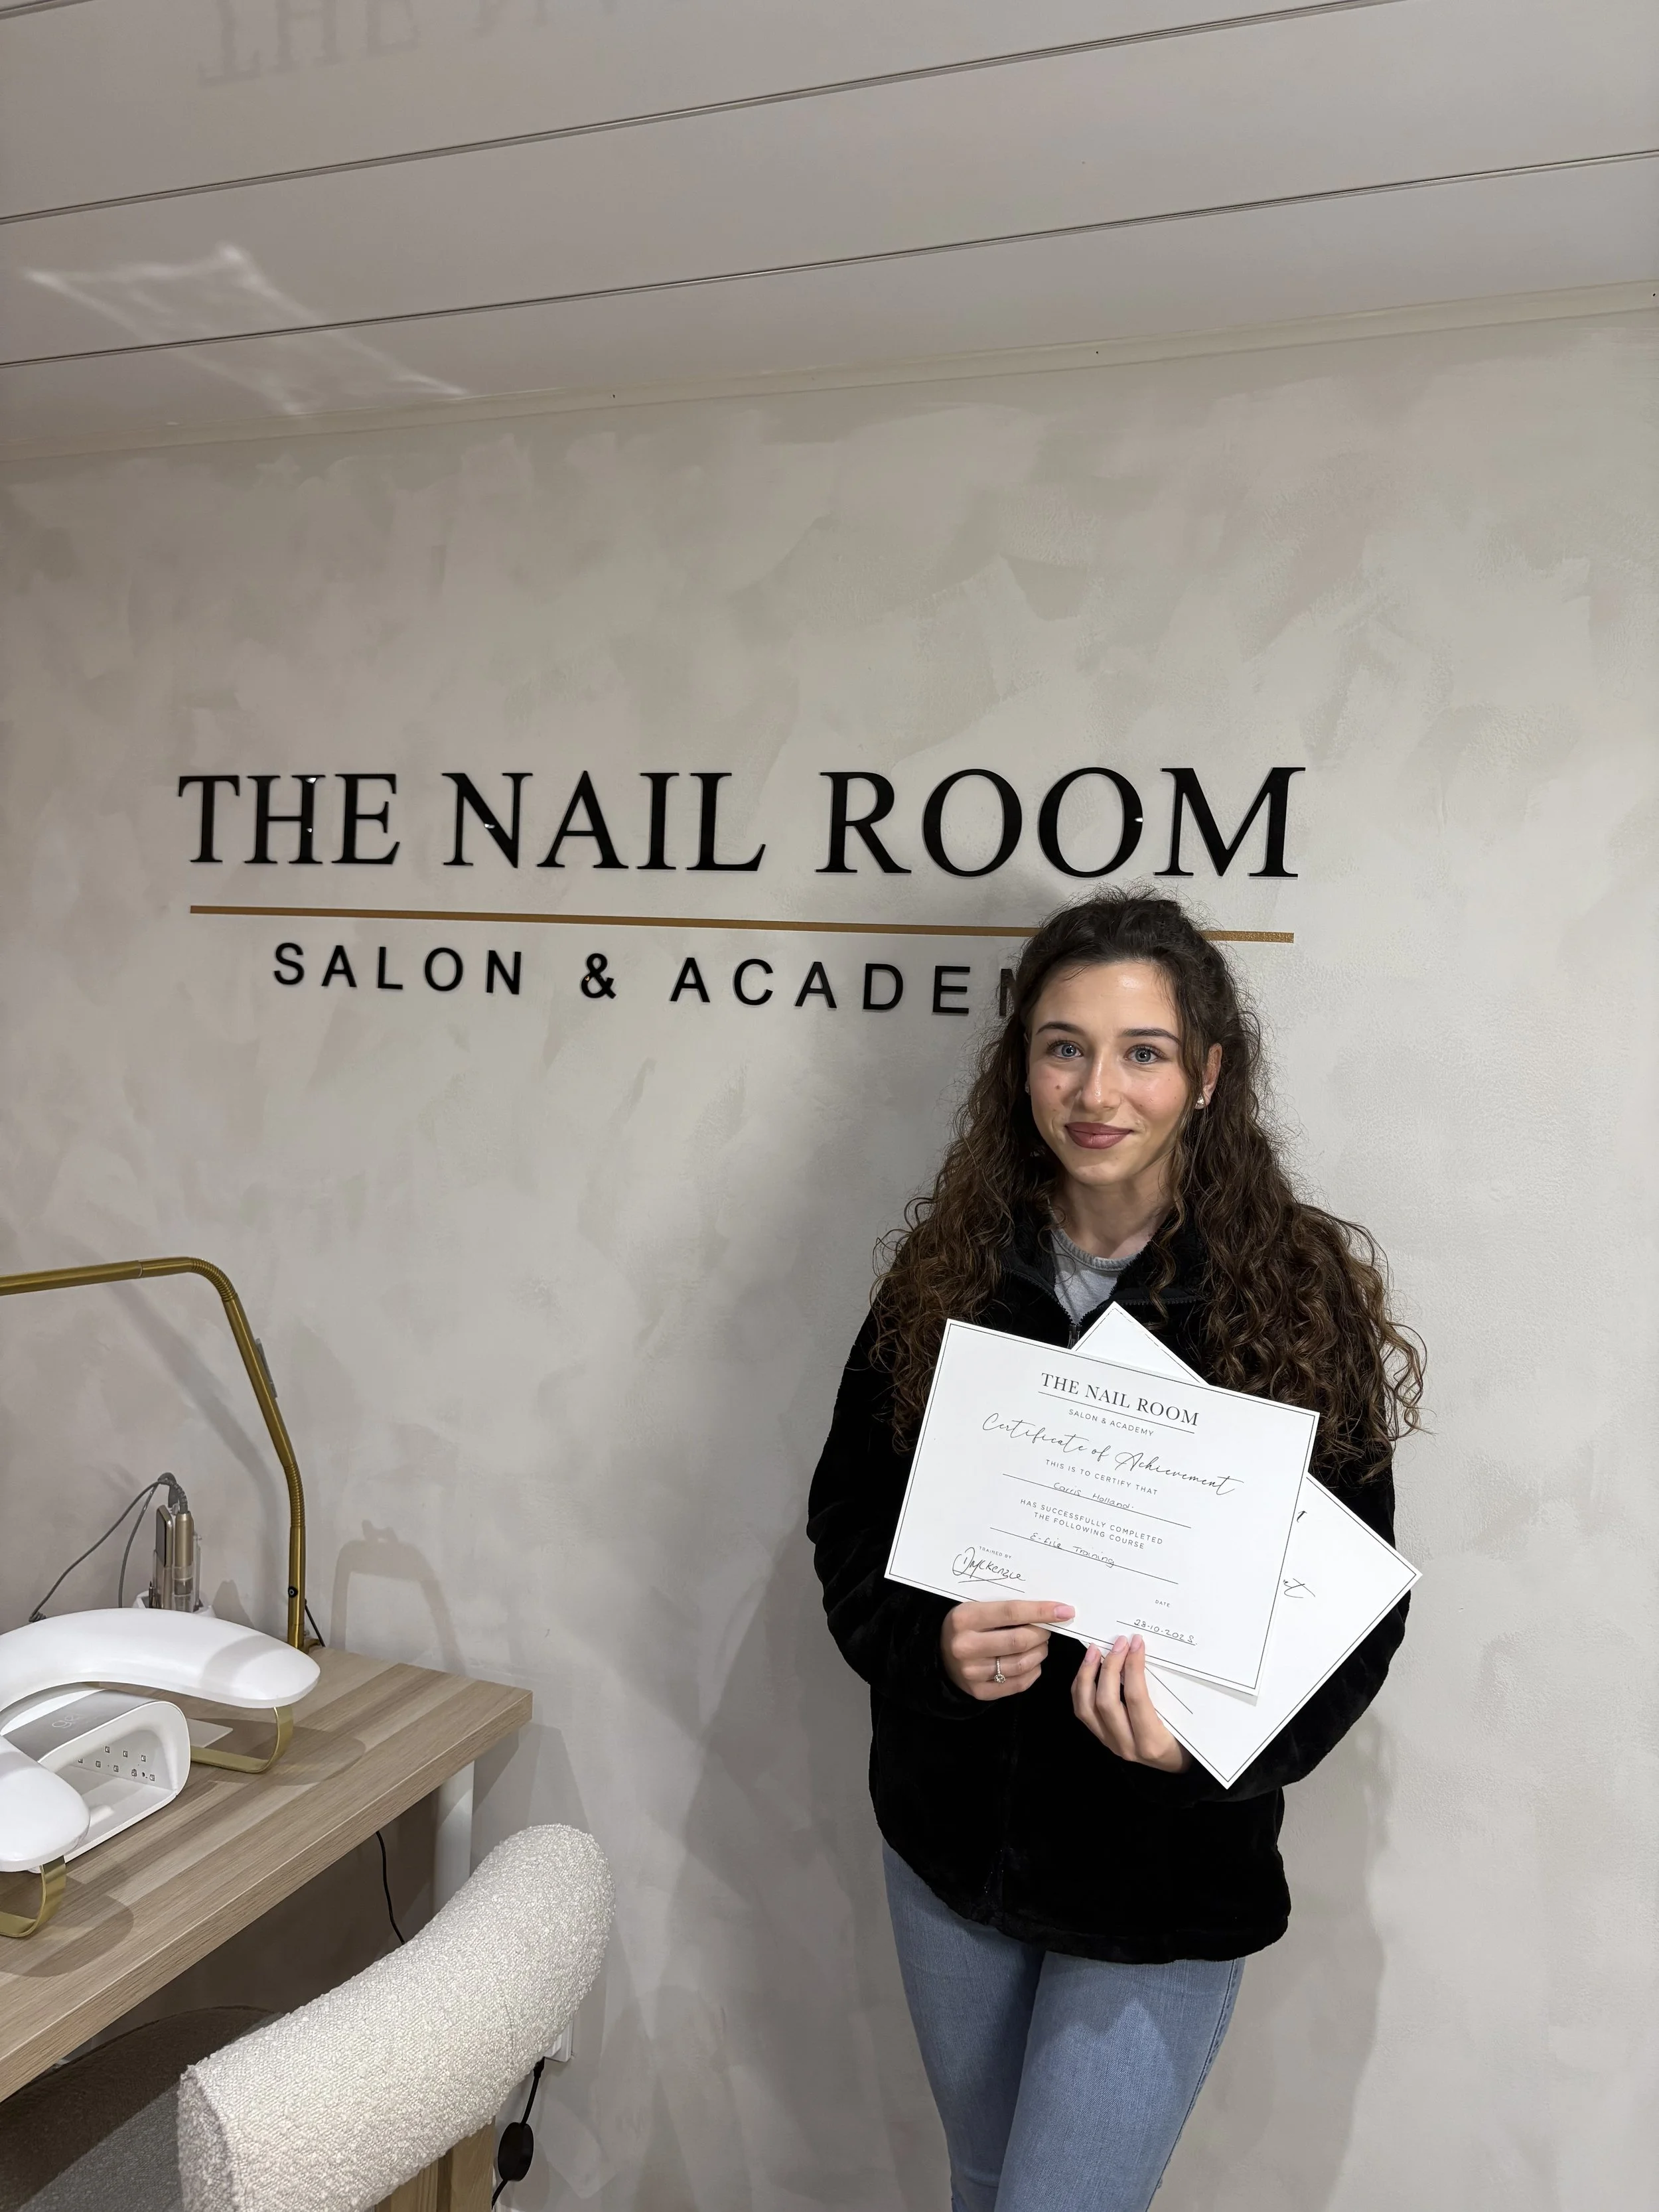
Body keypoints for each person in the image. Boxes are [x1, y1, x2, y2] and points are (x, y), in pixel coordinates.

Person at [806, 889, 1423, 2212]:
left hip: (1159, 1878)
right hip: (948, 1851)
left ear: (1208, 1074)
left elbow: (1354, 1618)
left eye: (1142, 1051)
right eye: (1063, 1047)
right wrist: (928, 1645)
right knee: (981, 2184)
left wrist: (1202, 1744)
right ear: (1020, 1065)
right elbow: (848, 1521)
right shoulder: (947, 1272)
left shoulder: (1289, 1296)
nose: (1097, 1091)